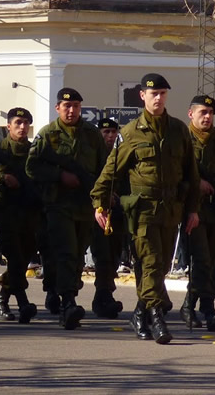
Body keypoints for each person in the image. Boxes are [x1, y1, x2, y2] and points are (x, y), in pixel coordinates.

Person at [91, 73, 200, 345]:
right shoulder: (129, 133)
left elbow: (191, 175)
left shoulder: (178, 130)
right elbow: (110, 173)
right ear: (142, 96)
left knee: (160, 267)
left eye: (163, 93)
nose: (158, 98)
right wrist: (100, 203)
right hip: (142, 211)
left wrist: (193, 210)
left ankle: (139, 313)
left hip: (170, 210)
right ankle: (157, 317)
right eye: (153, 94)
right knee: (150, 263)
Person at [28, 88, 109, 330]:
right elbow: (32, 167)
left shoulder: (92, 135)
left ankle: (60, 291)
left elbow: (104, 168)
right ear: (58, 109)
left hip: (85, 206)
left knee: (77, 256)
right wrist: (60, 175)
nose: (71, 110)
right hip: (58, 204)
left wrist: (103, 196)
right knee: (65, 252)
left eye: (75, 106)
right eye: (66, 106)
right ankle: (68, 302)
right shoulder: (48, 134)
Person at [0, 107, 41, 323]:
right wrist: (2, 178)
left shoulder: (34, 151)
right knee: (15, 257)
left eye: (25, 123)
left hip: (30, 214)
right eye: (18, 123)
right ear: (9, 126)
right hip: (7, 212)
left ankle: (2, 300)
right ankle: (23, 303)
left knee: (23, 260)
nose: (22, 127)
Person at [178, 95, 215, 332]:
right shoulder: (182, 140)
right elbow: (176, 176)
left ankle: (189, 306)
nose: (207, 117)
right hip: (193, 210)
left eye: (211, 113)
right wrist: (197, 185)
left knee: (211, 262)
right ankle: (208, 308)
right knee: (201, 259)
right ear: (191, 114)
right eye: (203, 112)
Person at [88, 117, 127, 320]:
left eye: (113, 132)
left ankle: (106, 295)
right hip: (97, 214)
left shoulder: (121, 154)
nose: (110, 136)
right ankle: (101, 297)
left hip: (118, 214)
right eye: (106, 132)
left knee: (113, 256)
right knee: (102, 257)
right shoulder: (93, 154)